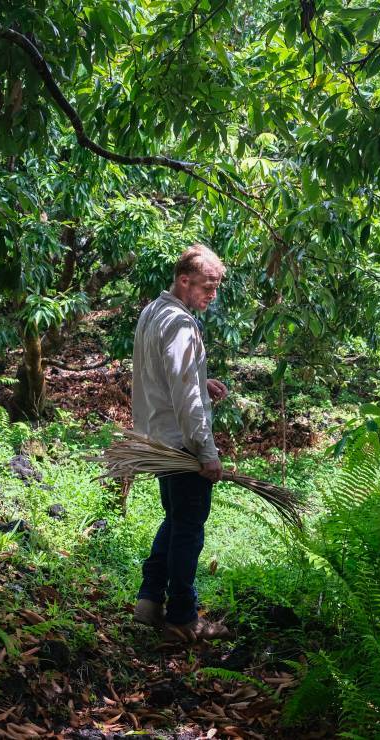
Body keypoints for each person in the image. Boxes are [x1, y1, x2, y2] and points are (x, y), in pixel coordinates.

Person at [130, 244, 232, 642]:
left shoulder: (154, 312)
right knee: (188, 528)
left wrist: (199, 382)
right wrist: (207, 453)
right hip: (182, 445)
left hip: (159, 439)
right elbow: (188, 401)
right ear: (184, 280)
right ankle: (184, 618)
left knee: (175, 521)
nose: (213, 295)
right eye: (208, 286)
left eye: (217, 287)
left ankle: (149, 600)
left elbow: (164, 373)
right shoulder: (180, 324)